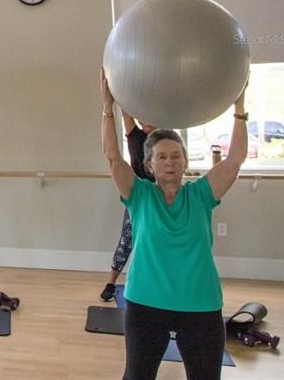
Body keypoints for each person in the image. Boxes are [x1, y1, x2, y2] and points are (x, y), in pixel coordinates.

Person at [101, 70, 246, 380]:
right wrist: (106, 108)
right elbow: (113, 158)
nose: (170, 162)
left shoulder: (202, 195)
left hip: (201, 304)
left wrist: (239, 108)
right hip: (145, 304)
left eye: (176, 156)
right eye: (162, 157)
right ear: (149, 164)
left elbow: (234, 161)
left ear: (185, 162)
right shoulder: (140, 195)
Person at [100, 112, 155, 302]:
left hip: (160, 197)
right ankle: (111, 283)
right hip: (137, 197)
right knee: (126, 240)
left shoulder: (165, 138)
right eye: (142, 118)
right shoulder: (135, 135)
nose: (144, 121)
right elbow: (126, 110)